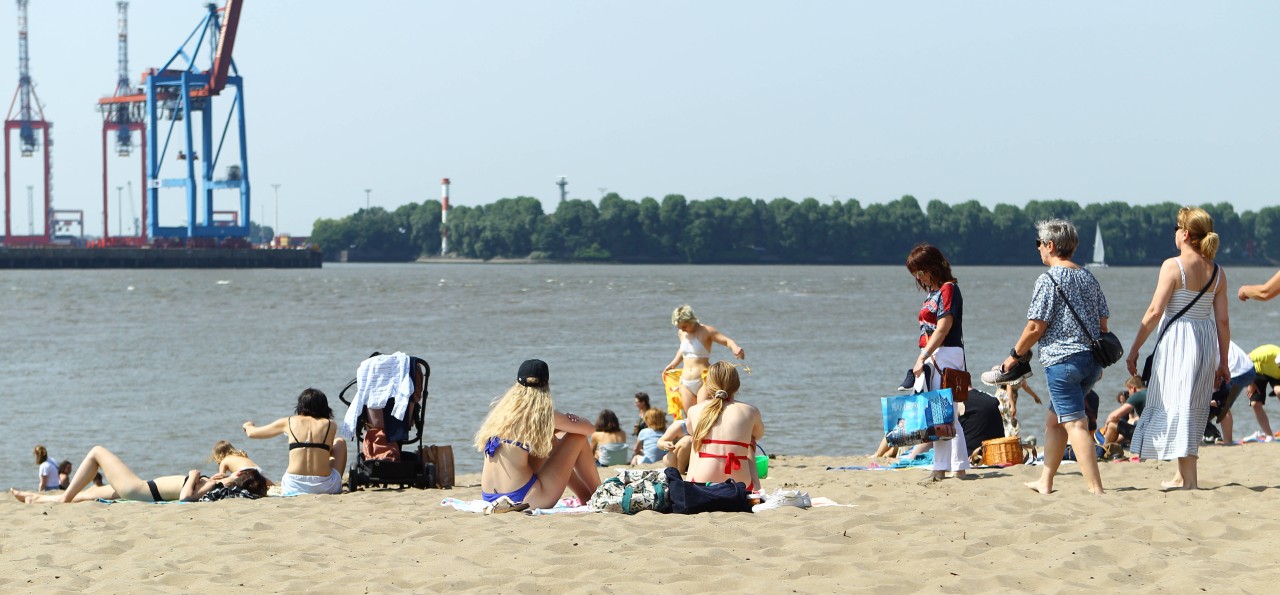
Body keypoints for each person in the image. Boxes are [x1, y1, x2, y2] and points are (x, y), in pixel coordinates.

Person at [990, 219, 1110, 495]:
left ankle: (1096, 488)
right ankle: (1045, 481)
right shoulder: (1089, 277)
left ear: (1051, 245)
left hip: (1063, 362)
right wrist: (1098, 362)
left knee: (1075, 424)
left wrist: (1013, 357)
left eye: (1039, 244)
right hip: (1090, 361)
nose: (1039, 249)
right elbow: (1103, 323)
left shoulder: (1048, 280)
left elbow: (1035, 327)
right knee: (1054, 421)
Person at [1125, 206, 1229, 490]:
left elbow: (1154, 312)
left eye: (1176, 228)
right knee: (1194, 405)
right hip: (1205, 339)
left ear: (1184, 234)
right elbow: (1222, 321)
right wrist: (1224, 362)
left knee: (1180, 406)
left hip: (1178, 341)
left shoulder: (1173, 265)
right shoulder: (1218, 272)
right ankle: (1183, 477)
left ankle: (1190, 482)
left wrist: (1134, 349)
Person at [473, 359, 600, 509]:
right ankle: (599, 493)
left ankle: (585, 495)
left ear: (517, 384)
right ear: (546, 384)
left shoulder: (501, 414)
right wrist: (573, 420)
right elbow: (590, 430)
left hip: (490, 498)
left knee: (550, 439)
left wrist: (555, 429)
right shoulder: (542, 415)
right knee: (577, 437)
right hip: (523, 499)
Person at [906, 243, 970, 481]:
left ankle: (958, 467)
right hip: (935, 354)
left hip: (946, 354)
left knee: (947, 414)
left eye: (921, 271)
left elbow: (943, 328)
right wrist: (922, 357)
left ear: (933, 267)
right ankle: (941, 467)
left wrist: (922, 357)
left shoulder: (948, 290)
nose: (918, 277)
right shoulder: (936, 292)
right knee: (937, 416)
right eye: (915, 273)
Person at [11, 445, 267, 504]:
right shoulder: (219, 487)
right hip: (143, 489)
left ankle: (64, 498)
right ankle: (38, 499)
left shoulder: (213, 489)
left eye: (236, 476)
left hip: (140, 489)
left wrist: (193, 475)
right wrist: (213, 479)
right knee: (89, 493)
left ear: (239, 481)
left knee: (97, 451)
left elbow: (186, 499)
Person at [244, 388, 348, 496]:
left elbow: (252, 433)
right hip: (325, 487)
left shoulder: (289, 421)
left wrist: (248, 425)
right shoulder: (330, 425)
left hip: (293, 485)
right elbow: (329, 452)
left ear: (300, 406)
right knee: (340, 442)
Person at [686, 361, 764, 490]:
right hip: (742, 484)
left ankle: (688, 483)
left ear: (708, 385)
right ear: (737, 386)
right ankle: (756, 488)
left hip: (701, 483)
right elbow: (759, 434)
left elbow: (690, 430)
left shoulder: (694, 410)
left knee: (695, 438)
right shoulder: (750, 410)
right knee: (750, 442)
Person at [662, 305, 745, 418]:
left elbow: (726, 341)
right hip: (686, 382)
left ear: (691, 320)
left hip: (703, 380)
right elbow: (683, 349)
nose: (682, 329)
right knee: (690, 417)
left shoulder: (706, 331)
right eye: (679, 327)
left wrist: (735, 348)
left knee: (703, 414)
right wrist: (673, 363)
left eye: (684, 326)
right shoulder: (682, 334)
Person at [1207, 342, 1258, 444]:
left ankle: (1227, 441)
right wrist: (1251, 382)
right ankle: (1220, 437)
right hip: (1249, 370)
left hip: (1236, 373)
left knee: (1221, 406)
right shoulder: (1217, 335)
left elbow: (1210, 369)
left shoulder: (1205, 341)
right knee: (1218, 403)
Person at [1101, 376, 1146, 451]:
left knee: (1112, 424)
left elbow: (1114, 415)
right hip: (1158, 434)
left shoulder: (1138, 395)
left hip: (1145, 437)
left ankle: (1105, 451)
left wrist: (1106, 425)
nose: (1129, 394)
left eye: (1129, 391)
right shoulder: (1153, 392)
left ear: (1133, 388)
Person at [210, 440, 274, 486]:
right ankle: (272, 485)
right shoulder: (240, 456)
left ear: (218, 455)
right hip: (258, 471)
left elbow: (221, 476)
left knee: (225, 480)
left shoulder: (224, 461)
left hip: (245, 472)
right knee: (261, 480)